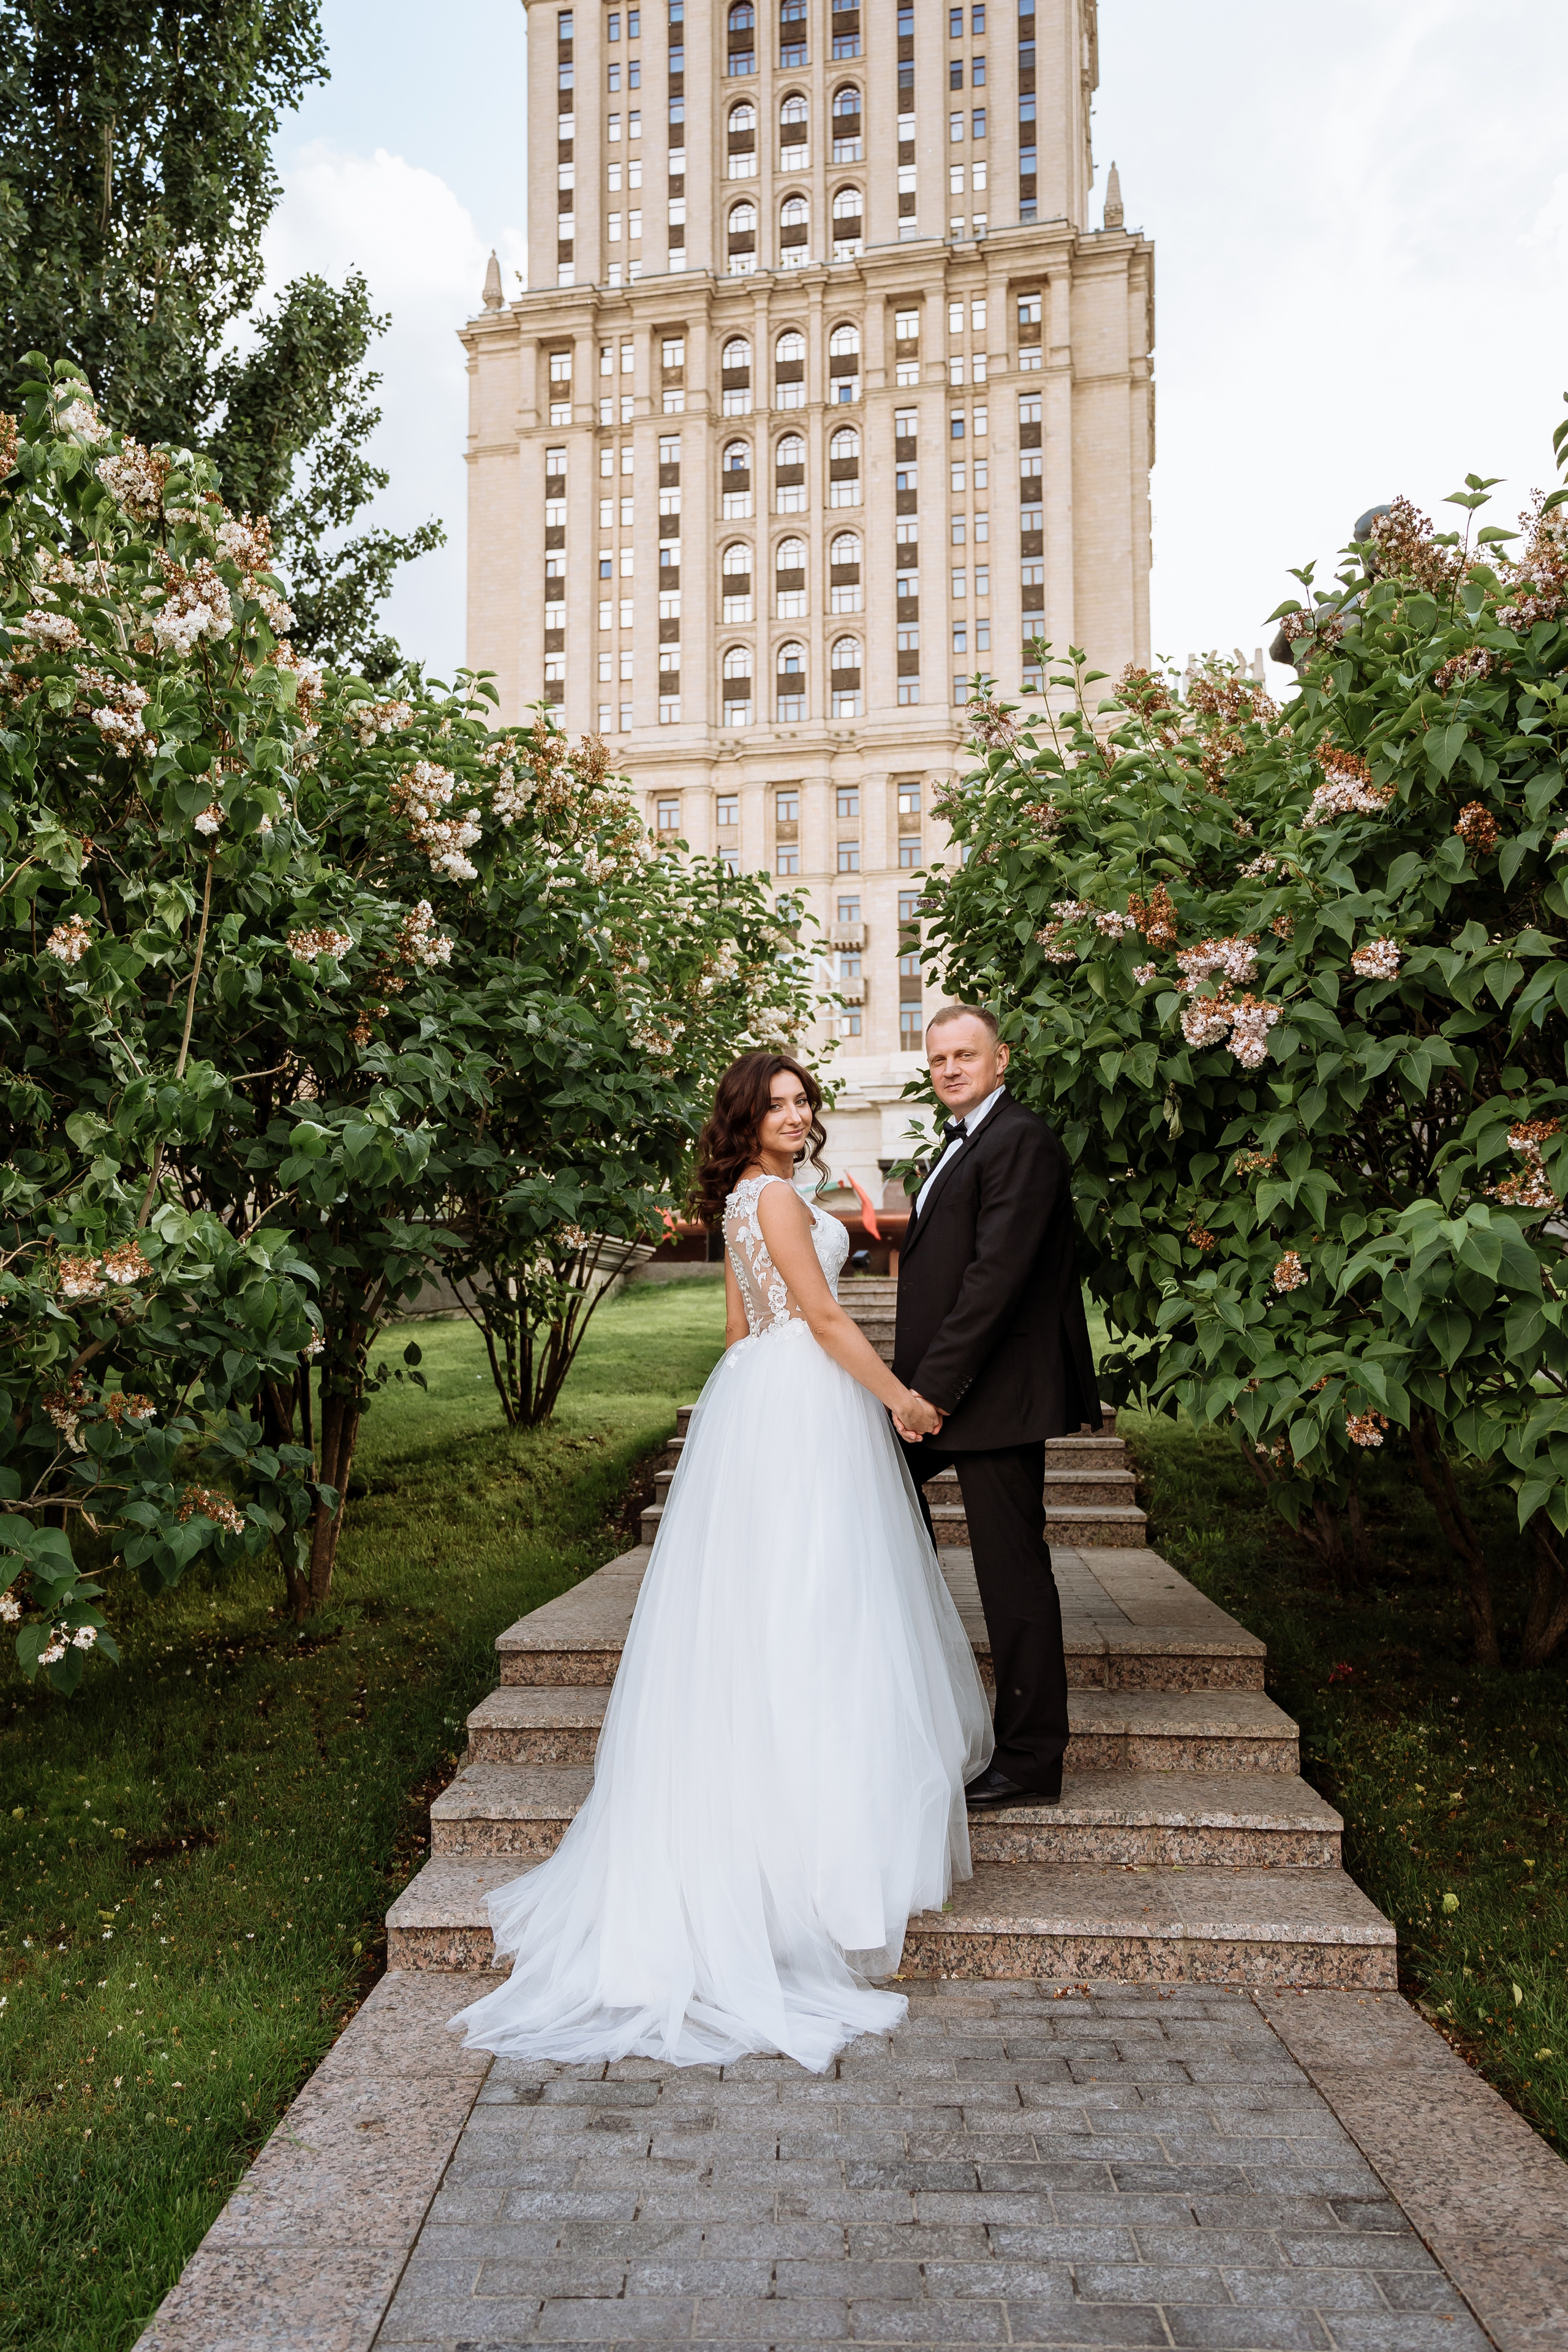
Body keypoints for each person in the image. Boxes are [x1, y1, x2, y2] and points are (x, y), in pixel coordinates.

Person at [449, 1050, 992, 2073]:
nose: (797, 1115)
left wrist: (755, 1402)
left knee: (778, 1605)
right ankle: (814, 1853)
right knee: (818, 1606)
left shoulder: (745, 1201)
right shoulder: (779, 1197)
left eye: (803, 1101)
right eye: (777, 1104)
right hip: (804, 1401)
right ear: (746, 1118)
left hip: (763, 1393)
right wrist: (899, 1399)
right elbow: (825, 1319)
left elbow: (741, 1325)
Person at [892, 1005, 1100, 1812]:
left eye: (965, 1054)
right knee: (872, 1491)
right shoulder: (965, 1142)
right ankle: (906, 1691)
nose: (949, 1067)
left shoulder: (1019, 1139)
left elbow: (993, 1282)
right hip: (960, 1392)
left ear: (1000, 1057)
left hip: (994, 1398)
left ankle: (1029, 1758)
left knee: (1012, 1576)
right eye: (938, 1055)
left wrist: (929, 1394)